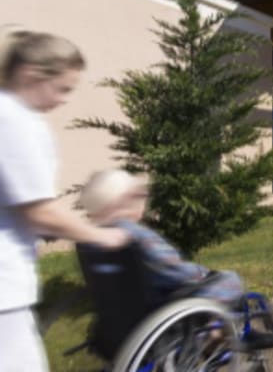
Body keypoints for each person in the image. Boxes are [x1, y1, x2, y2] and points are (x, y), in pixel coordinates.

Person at [0, 26, 129, 371]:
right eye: (63, 88)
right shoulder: (16, 120)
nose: (64, 99)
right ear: (31, 75)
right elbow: (39, 211)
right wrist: (102, 235)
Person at [79, 169, 245, 305]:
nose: (143, 199)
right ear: (124, 202)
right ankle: (214, 330)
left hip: (125, 317)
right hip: (166, 303)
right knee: (230, 279)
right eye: (139, 195)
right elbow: (175, 271)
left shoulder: (92, 242)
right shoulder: (136, 235)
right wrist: (203, 274)